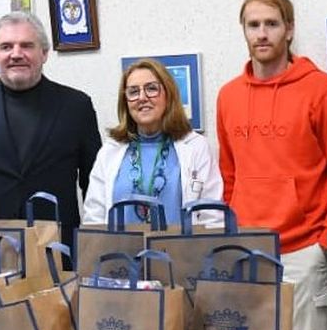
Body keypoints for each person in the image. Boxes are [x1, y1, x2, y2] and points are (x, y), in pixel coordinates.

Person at [216, 0, 327, 330]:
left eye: (271, 24)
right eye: (253, 25)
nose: (262, 34)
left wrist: (325, 239)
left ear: (290, 30)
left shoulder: (321, 90)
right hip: (250, 252)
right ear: (243, 31)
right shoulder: (229, 96)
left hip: (304, 251)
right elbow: (229, 173)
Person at [0, 11, 102, 230]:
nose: (16, 54)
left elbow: (95, 187)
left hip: (58, 245)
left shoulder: (77, 106)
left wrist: (95, 243)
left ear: (44, 53)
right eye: (6, 47)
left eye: (26, 45)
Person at [82, 58, 223, 227]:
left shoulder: (196, 147)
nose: (142, 97)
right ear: (126, 102)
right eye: (133, 92)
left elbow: (212, 216)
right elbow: (94, 217)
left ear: (168, 95)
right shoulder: (110, 151)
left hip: (179, 252)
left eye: (151, 89)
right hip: (121, 252)